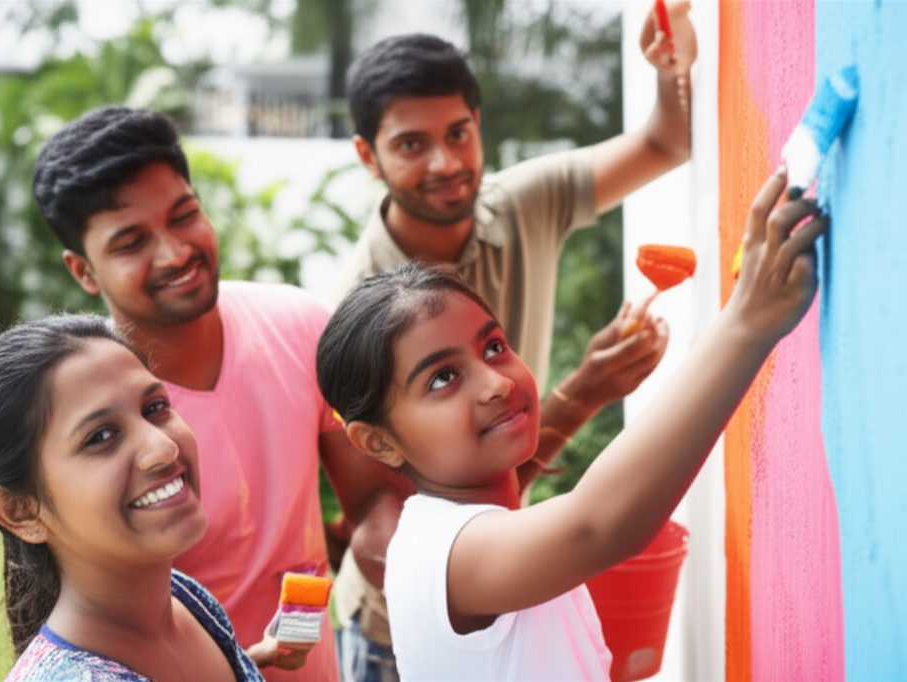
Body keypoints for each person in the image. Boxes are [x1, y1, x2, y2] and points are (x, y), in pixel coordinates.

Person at [317, 167, 827, 681]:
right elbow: (596, 526)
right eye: (442, 378)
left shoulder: (484, 527)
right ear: (378, 442)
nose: (495, 382)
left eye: (493, 346)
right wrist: (746, 323)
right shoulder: (441, 552)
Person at [330, 4, 696, 677]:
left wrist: (671, 68)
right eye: (411, 144)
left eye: (459, 133)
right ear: (367, 155)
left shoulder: (524, 201)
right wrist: (581, 394)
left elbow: (666, 143)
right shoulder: (355, 319)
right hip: (404, 630)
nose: (445, 162)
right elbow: (387, 530)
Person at [30, 106, 404, 681]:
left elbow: (375, 495)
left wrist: (406, 558)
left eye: (184, 216)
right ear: (83, 270)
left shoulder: (301, 326)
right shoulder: (84, 417)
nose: (175, 252)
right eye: (131, 242)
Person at [0, 314, 266, 681]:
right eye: (100, 437)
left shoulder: (184, 599)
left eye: (154, 408)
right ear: (20, 511)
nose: (163, 447)